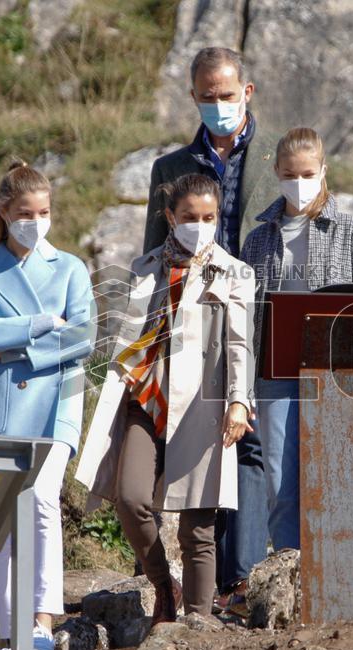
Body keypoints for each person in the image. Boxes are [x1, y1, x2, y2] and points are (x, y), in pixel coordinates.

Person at [76, 174, 255, 623]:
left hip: (203, 407)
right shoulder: (145, 266)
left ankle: (198, 622)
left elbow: (240, 344)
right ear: (170, 217)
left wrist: (239, 401)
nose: (200, 225)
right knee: (131, 496)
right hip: (145, 400)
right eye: (190, 217)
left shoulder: (235, 272)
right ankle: (163, 586)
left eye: (208, 217)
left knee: (199, 525)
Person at [144, 45, 278, 614]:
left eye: (227, 95)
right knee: (201, 445)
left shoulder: (277, 158)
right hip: (192, 327)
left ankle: (239, 582)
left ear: (247, 93)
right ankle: (203, 585)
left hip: (260, 314)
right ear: (194, 97)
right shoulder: (170, 169)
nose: (218, 105)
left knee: (247, 444)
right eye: (207, 97)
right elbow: (153, 253)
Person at [0, 161, 94, 650]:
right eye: (25, 213)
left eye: (44, 212)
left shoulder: (71, 268)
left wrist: (12, 348)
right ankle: (11, 631)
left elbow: (83, 337)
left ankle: (40, 624)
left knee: (40, 501)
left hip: (56, 405)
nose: (36, 222)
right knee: (0, 516)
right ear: (3, 212)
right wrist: (38, 323)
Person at [241, 127, 353, 551]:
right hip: (276, 373)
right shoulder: (258, 239)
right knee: (281, 484)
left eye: (306, 173)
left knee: (335, 480)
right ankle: (289, 574)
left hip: (336, 374)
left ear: (323, 171)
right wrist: (242, 388)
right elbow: (243, 318)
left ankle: (336, 577)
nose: (298, 183)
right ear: (277, 174)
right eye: (289, 174)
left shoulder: (351, 232)